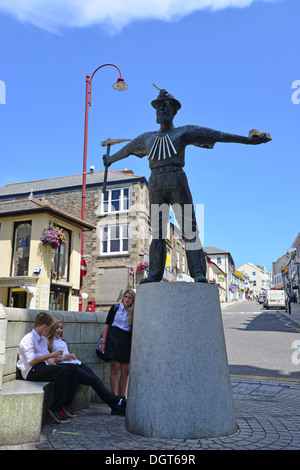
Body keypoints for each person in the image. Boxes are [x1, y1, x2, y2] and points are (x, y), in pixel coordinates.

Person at [103, 87, 271, 284]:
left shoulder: (183, 132)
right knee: (157, 232)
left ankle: (198, 272)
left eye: (166, 108)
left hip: (176, 180)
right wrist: (110, 159)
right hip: (156, 182)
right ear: (155, 114)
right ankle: (155, 273)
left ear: (174, 112)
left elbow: (216, 135)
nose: (162, 111)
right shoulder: (147, 138)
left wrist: (247, 141)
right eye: (159, 108)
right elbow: (126, 150)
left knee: (189, 229)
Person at [47, 318, 126, 416]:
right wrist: (63, 358)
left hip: (76, 363)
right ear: (52, 329)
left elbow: (65, 353)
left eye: (61, 328)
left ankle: (114, 407)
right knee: (94, 381)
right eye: (57, 328)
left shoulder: (61, 340)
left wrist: (71, 355)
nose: (59, 330)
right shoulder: (48, 342)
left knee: (97, 380)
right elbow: (49, 361)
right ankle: (118, 402)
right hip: (69, 368)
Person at [17, 312, 78, 424]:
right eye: (50, 328)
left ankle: (66, 403)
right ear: (44, 326)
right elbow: (31, 361)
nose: (50, 331)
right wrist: (52, 355)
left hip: (42, 367)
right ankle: (55, 408)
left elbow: (48, 361)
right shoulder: (28, 339)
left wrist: (58, 366)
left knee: (71, 369)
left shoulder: (43, 339)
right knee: (62, 371)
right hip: (31, 371)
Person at [99, 289, 135, 398]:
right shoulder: (115, 308)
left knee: (126, 372)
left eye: (130, 297)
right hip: (113, 339)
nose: (127, 299)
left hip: (126, 340)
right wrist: (103, 343)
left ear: (133, 300)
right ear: (123, 297)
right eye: (126, 297)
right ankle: (114, 398)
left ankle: (122, 397)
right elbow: (107, 325)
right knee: (114, 370)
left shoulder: (134, 311)